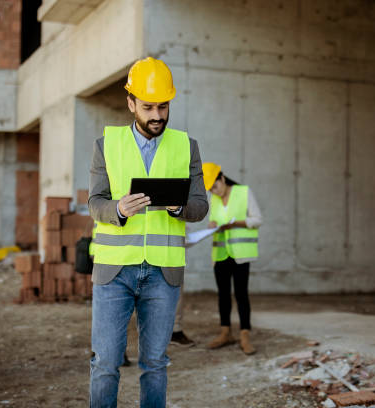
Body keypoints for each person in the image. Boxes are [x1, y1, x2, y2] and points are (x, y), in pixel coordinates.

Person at [88, 57, 208, 407]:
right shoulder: (105, 145)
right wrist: (119, 210)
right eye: (148, 107)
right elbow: (95, 203)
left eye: (163, 106)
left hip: (163, 273)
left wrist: (178, 207)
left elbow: (200, 207)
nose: (157, 115)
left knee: (155, 364)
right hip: (114, 272)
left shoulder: (187, 146)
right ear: (131, 103)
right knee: (106, 364)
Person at [201, 162, 262, 355]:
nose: (214, 191)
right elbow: (215, 220)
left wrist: (238, 223)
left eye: (215, 186)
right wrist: (212, 224)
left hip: (240, 254)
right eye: (210, 189)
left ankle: (245, 335)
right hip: (221, 254)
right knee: (223, 295)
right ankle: (225, 332)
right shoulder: (214, 199)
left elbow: (258, 219)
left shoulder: (244, 192)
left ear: (222, 178)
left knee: (241, 294)